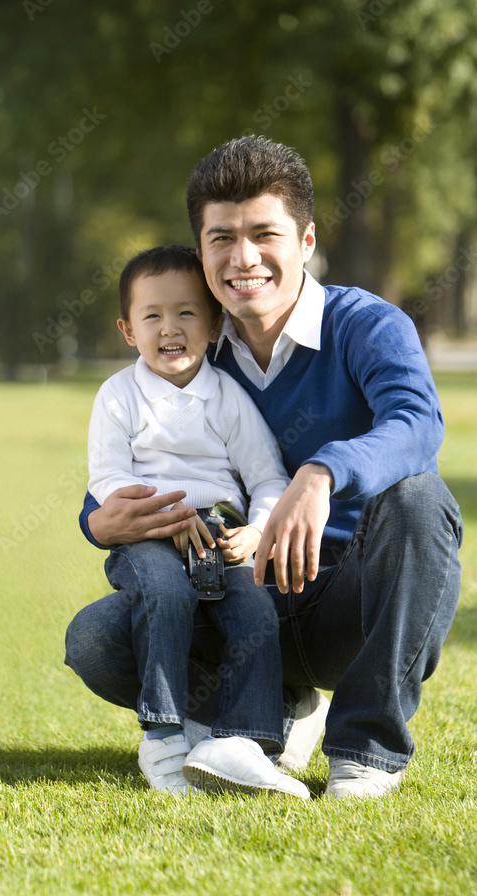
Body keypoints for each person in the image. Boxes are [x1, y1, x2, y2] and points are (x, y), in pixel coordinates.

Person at [66, 136, 463, 800]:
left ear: (305, 241)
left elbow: (416, 424)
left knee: (422, 501)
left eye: (263, 234)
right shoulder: (188, 349)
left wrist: (322, 471)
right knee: (97, 640)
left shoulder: (366, 326)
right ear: (200, 252)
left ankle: (365, 750)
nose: (242, 257)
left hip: (349, 607)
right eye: (221, 238)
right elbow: (135, 460)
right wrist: (97, 520)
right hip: (231, 599)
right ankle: (272, 704)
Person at [86, 244, 309, 799]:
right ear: (127, 329)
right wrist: (159, 516)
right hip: (150, 534)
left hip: (221, 534)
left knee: (253, 607)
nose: (170, 328)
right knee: (165, 593)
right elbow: (105, 479)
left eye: (186, 313)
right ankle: (164, 733)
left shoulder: (227, 397)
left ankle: (251, 744)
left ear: (213, 326)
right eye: (152, 315)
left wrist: (257, 531)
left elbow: (267, 478)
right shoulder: (118, 397)